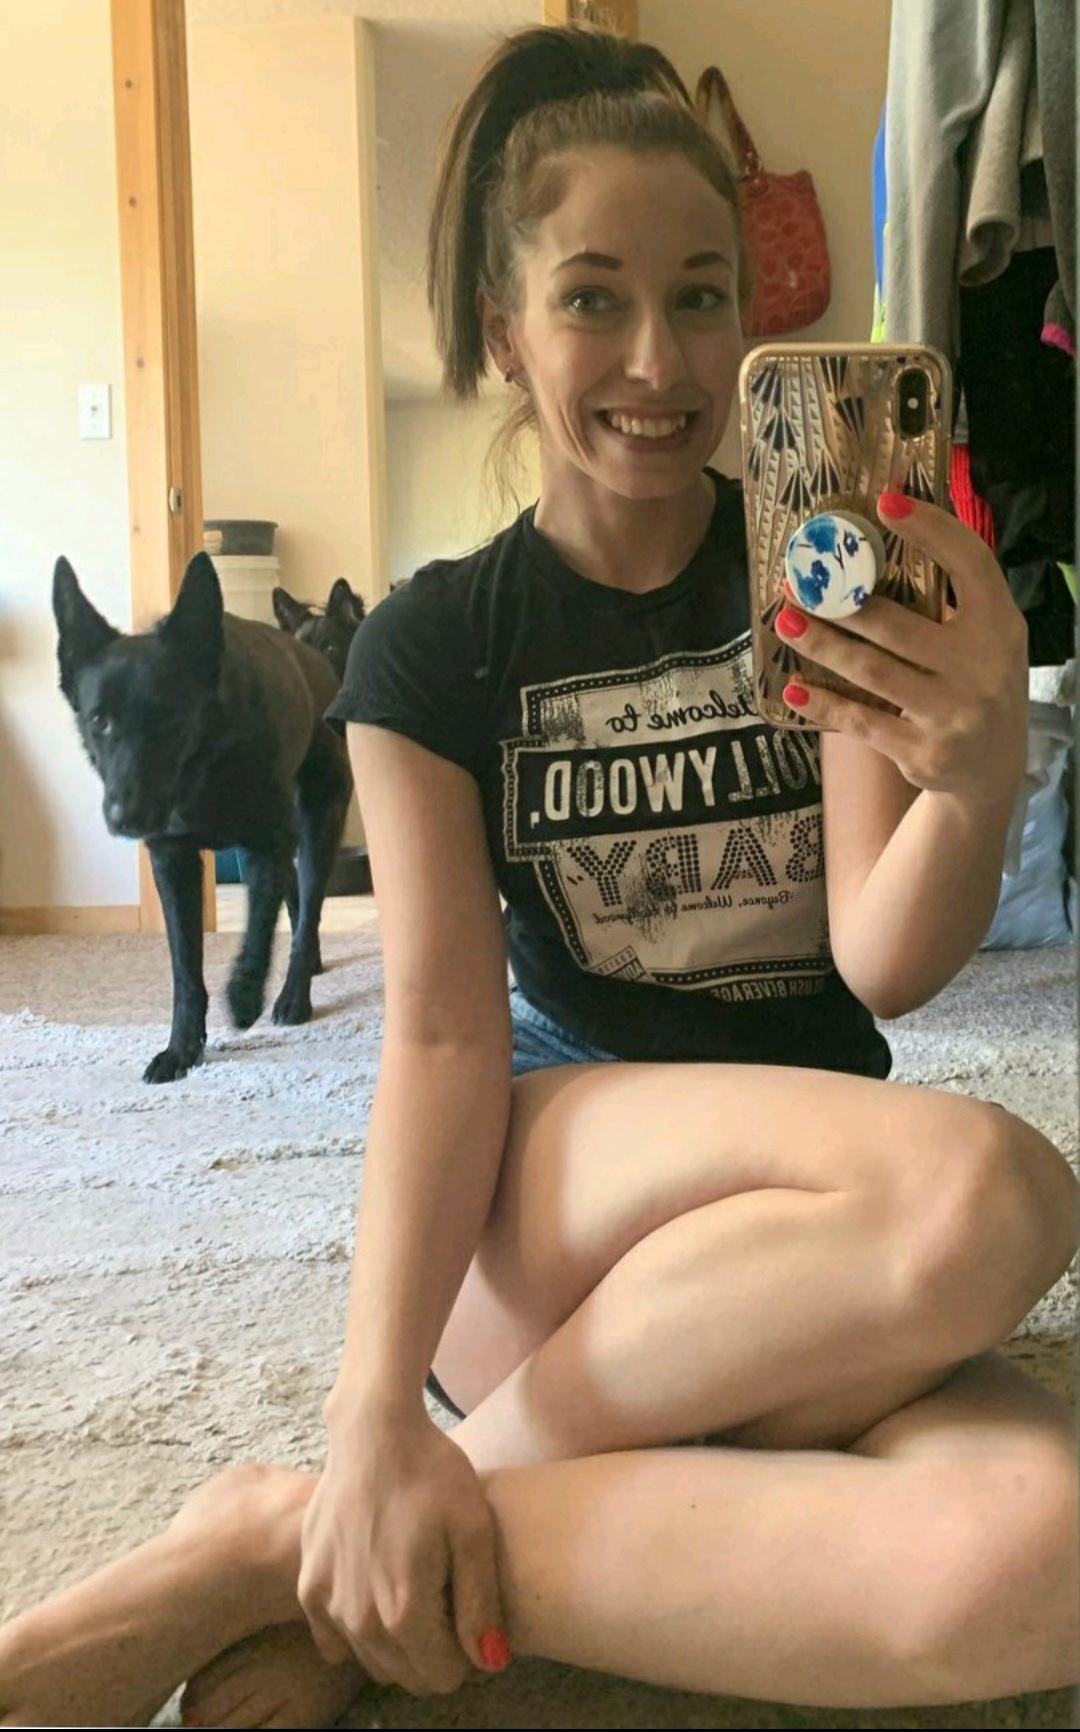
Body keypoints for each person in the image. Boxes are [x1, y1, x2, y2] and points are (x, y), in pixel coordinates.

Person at [2, 24, 1077, 1730]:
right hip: (556, 1211)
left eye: (702, 297)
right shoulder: (431, 647)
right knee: (991, 1195)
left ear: (750, 315)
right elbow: (439, 1037)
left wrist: (979, 768)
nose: (659, 356)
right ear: (506, 329)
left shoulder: (820, 575)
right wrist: (373, 1408)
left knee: (1045, 1556)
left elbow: (884, 962)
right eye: (593, 298)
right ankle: (390, 1496)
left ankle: (298, 1553)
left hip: (813, 1231)